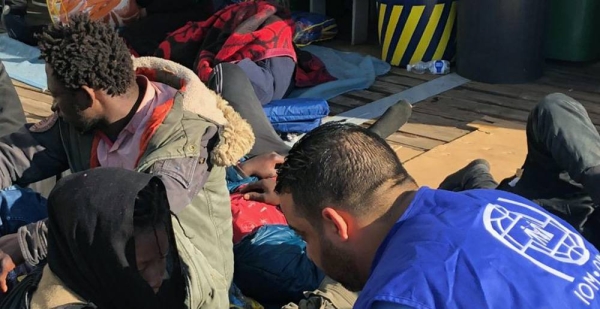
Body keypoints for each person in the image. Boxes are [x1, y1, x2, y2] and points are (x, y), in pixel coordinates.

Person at [0, 13, 254, 303]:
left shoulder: (184, 141)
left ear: (85, 97)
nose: (54, 105)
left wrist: (25, 245)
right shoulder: (84, 120)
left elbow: (130, 221)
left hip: (176, 285)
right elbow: (14, 154)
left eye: (57, 97)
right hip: (101, 259)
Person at [275, 121, 600, 309]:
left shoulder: (400, 295)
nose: (306, 251)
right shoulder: (496, 202)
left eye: (303, 234)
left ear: (335, 224)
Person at [1, 167, 226, 308]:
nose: (159, 277)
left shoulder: (82, 273)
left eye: (164, 258)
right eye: (143, 265)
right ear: (97, 258)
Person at [439, 93, 600, 248]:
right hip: (572, 195)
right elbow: (552, 109)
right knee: (554, 107)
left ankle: (476, 177)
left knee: (497, 215)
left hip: (550, 240)